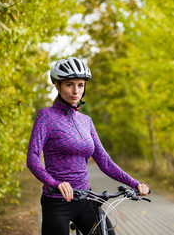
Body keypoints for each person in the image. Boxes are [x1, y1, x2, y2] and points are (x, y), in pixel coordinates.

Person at [26, 57, 149, 235]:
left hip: (86, 199)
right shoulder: (46, 116)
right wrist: (55, 183)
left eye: (80, 85)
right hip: (57, 200)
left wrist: (135, 183)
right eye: (69, 84)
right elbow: (32, 158)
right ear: (57, 86)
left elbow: (104, 161)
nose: (76, 91)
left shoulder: (86, 121)